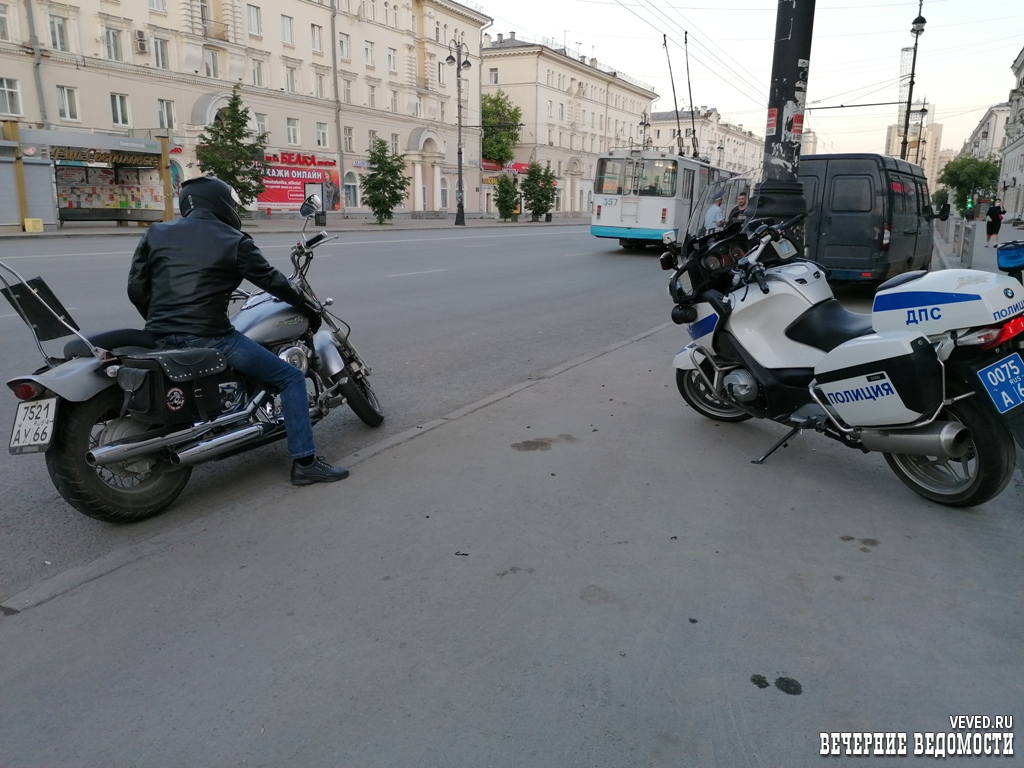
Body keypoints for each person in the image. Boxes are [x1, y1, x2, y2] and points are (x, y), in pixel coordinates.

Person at [127, 176, 350, 486]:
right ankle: (305, 462)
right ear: (220, 203)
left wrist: (162, 321)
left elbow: (136, 288)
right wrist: (310, 307)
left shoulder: (157, 232)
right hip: (212, 337)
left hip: (161, 336)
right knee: (290, 377)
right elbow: (272, 281)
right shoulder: (233, 240)